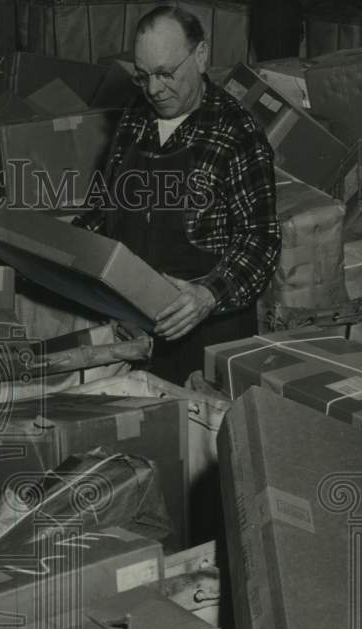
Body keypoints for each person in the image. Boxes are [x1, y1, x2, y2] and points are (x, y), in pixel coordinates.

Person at [75, 5, 281, 385]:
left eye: (166, 73)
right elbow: (106, 207)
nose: (154, 89)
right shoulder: (136, 116)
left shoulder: (237, 133)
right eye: (143, 76)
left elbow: (261, 240)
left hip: (208, 338)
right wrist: (66, 248)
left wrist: (207, 295)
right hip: (135, 326)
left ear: (200, 56)